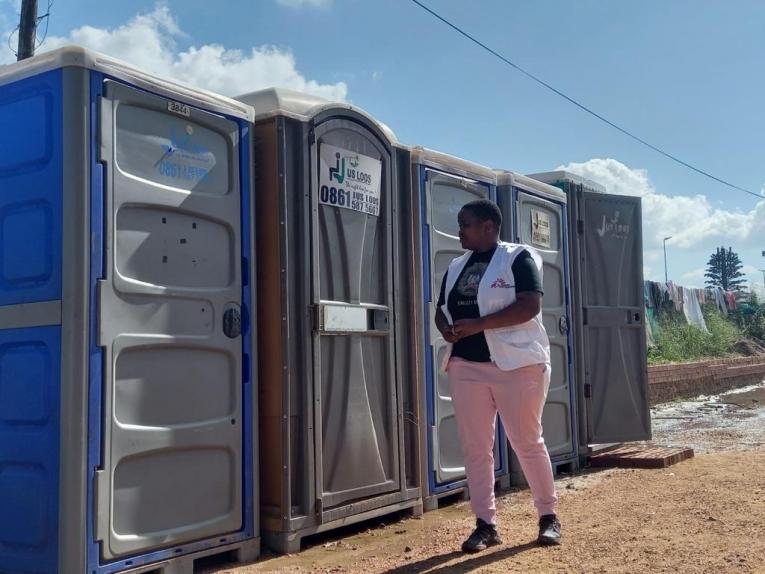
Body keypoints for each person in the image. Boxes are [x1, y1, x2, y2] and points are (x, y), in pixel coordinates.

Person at [434, 198, 561, 552]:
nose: (459, 231)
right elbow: (440, 310)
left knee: (527, 441)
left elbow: (529, 305)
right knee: (476, 448)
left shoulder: (517, 258)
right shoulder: (457, 266)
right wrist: (446, 328)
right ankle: (485, 524)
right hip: (466, 366)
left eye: (465, 224)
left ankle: (548, 516)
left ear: (488, 226)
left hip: (518, 365)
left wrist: (479, 325)